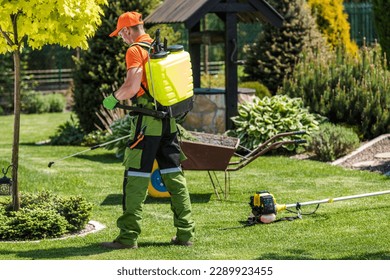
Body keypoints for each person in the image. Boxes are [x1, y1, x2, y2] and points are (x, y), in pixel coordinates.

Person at [101, 11, 195, 249]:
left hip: (147, 122)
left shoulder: (134, 50)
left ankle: (128, 237)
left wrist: (113, 98)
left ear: (127, 30)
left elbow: (132, 86)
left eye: (121, 33)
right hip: (168, 121)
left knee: (136, 176)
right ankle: (185, 234)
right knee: (174, 175)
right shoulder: (157, 48)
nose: (121, 38)